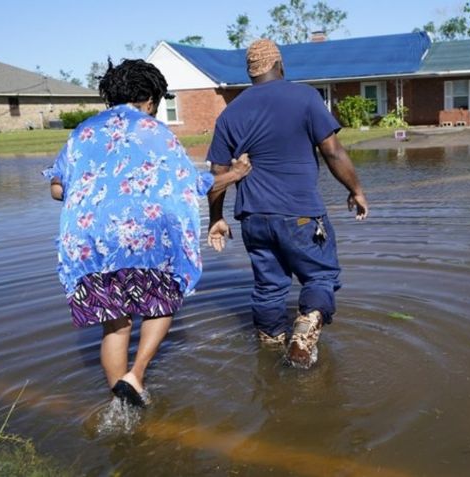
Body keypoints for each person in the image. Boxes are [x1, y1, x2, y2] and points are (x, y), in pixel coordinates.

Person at [43, 59, 250, 407]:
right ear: (151, 99)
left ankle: (119, 405)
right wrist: (237, 173)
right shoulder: (157, 133)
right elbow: (192, 183)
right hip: (149, 242)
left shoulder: (83, 133)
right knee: (160, 303)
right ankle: (136, 375)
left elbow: (57, 189)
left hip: (94, 244)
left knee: (115, 324)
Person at [206, 39, 368, 369]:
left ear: (250, 73)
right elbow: (333, 151)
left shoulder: (229, 114)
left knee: (268, 287)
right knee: (320, 277)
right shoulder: (305, 97)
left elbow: (217, 174)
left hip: (253, 218)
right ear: (279, 66)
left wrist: (216, 218)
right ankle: (306, 325)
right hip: (300, 214)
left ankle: (270, 347)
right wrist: (356, 190)